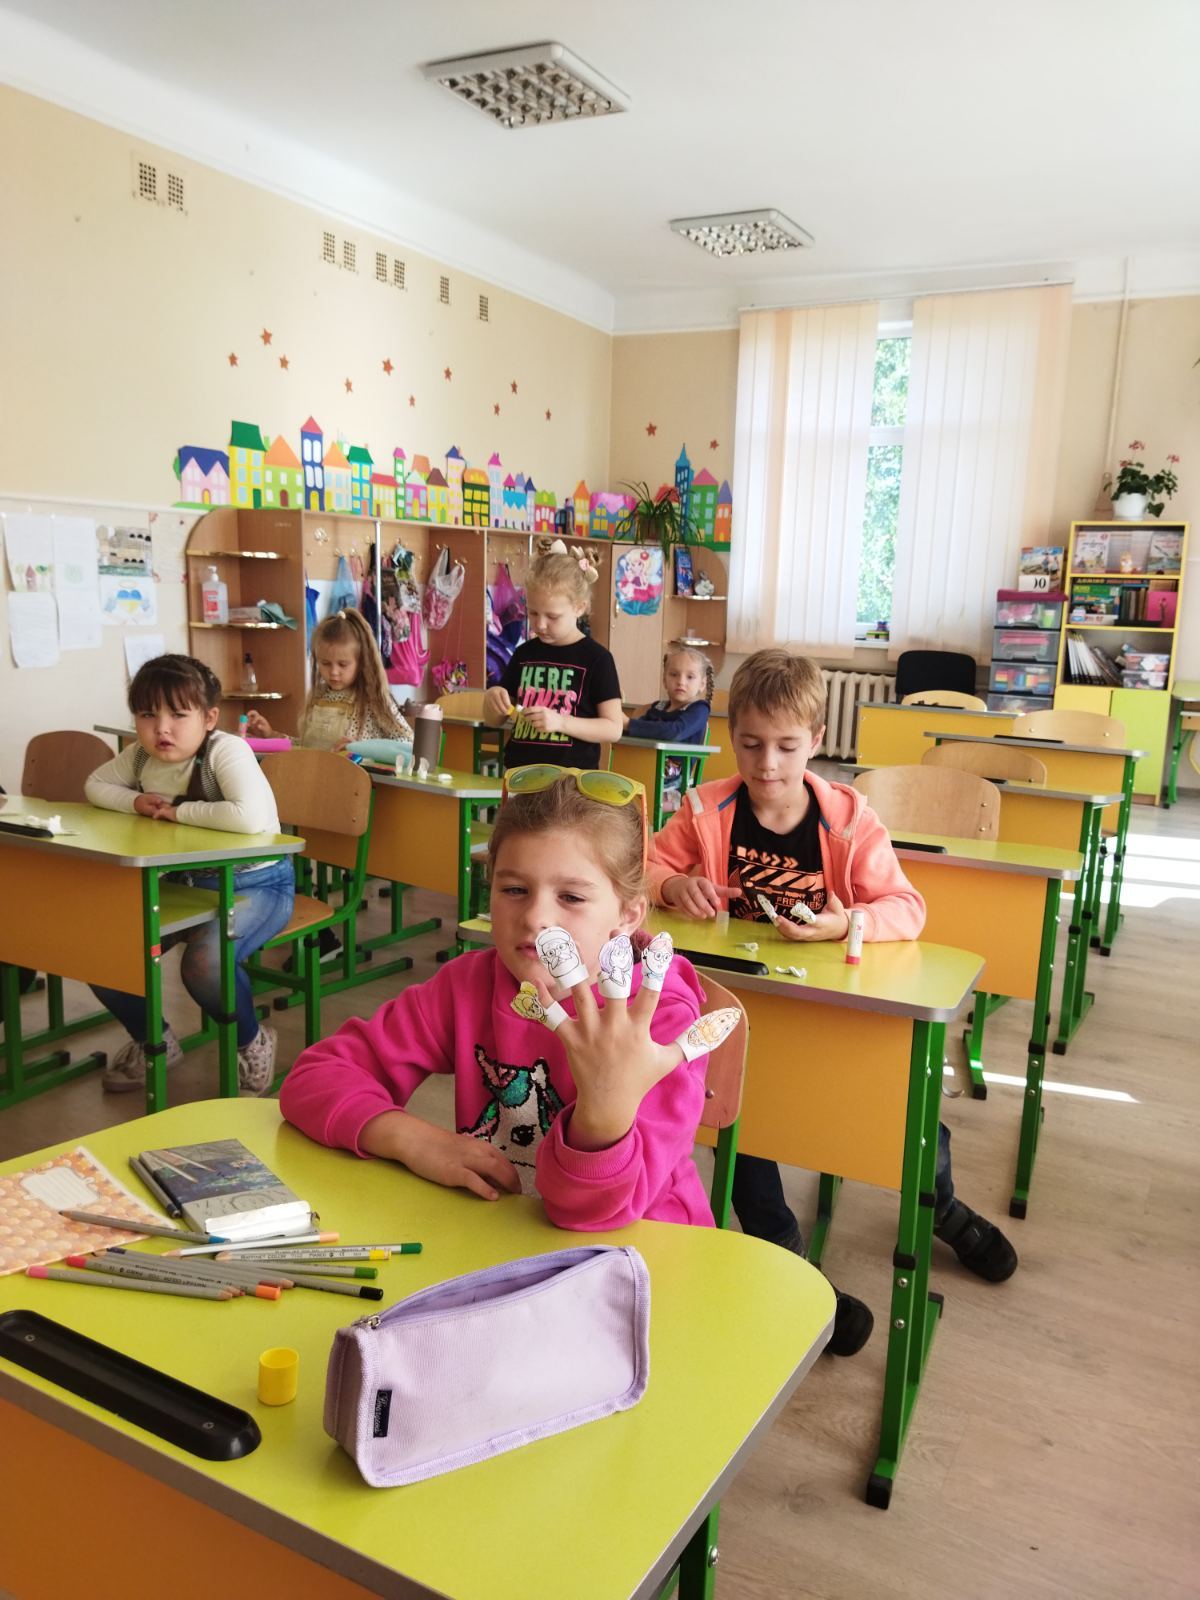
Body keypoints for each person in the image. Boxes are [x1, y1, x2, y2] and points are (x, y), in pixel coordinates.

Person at [647, 648, 1019, 1356]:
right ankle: (793, 1264)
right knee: (740, 1123)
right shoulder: (706, 809)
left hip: (839, 1013)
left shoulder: (848, 820)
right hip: (750, 1010)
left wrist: (848, 922)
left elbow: (908, 907)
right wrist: (671, 885)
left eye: (787, 747)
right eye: (751, 744)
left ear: (816, 740)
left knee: (898, 1109)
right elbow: (643, 866)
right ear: (731, 736)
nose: (767, 764)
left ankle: (941, 1204)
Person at [280, 769, 733, 1228]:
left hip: (641, 1252)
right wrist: (413, 1139)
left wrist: (603, 1108)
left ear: (628, 914)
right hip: (503, 1235)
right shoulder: (469, 984)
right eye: (514, 890)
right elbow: (317, 1077)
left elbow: (597, 1213)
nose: (535, 917)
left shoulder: (659, 1022)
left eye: (571, 897)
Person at [85, 654, 295, 1094]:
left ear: (209, 718)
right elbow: (95, 786)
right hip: (185, 884)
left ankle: (252, 1041)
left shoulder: (225, 751)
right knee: (101, 949)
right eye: (148, 715)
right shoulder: (141, 757)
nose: (161, 728)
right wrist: (134, 802)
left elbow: (249, 817)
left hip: (257, 882)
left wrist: (177, 811)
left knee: (204, 963)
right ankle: (155, 1041)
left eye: (179, 715)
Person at [482, 550, 623, 770]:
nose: (540, 624)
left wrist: (561, 722)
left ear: (579, 608)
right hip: (519, 775)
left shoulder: (597, 659)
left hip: (569, 782)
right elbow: (495, 720)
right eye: (533, 613)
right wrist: (492, 699)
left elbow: (613, 729)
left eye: (552, 616)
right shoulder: (523, 654)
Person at [247, 606, 412, 749]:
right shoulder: (317, 696)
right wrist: (270, 735)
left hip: (354, 777)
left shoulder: (374, 700)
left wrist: (362, 749)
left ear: (362, 662)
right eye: (325, 663)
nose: (333, 672)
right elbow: (306, 748)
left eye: (343, 664)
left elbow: (408, 742)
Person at [624, 641, 714, 812]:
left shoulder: (699, 709)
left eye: (690, 677)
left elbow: (673, 731)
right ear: (665, 680)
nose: (681, 681)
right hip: (644, 772)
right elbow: (636, 732)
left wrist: (628, 724)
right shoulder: (657, 707)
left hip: (673, 786)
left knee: (632, 800)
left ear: (702, 684)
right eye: (673, 674)